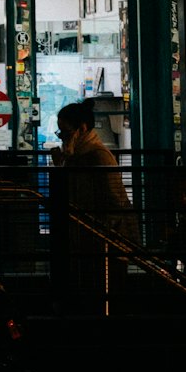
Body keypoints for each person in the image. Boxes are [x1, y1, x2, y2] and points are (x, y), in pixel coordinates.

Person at [49, 99, 139, 308]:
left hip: (101, 243)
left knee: (101, 296)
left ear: (82, 129)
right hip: (90, 241)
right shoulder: (78, 155)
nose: (62, 138)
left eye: (65, 132)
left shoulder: (98, 157)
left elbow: (115, 201)